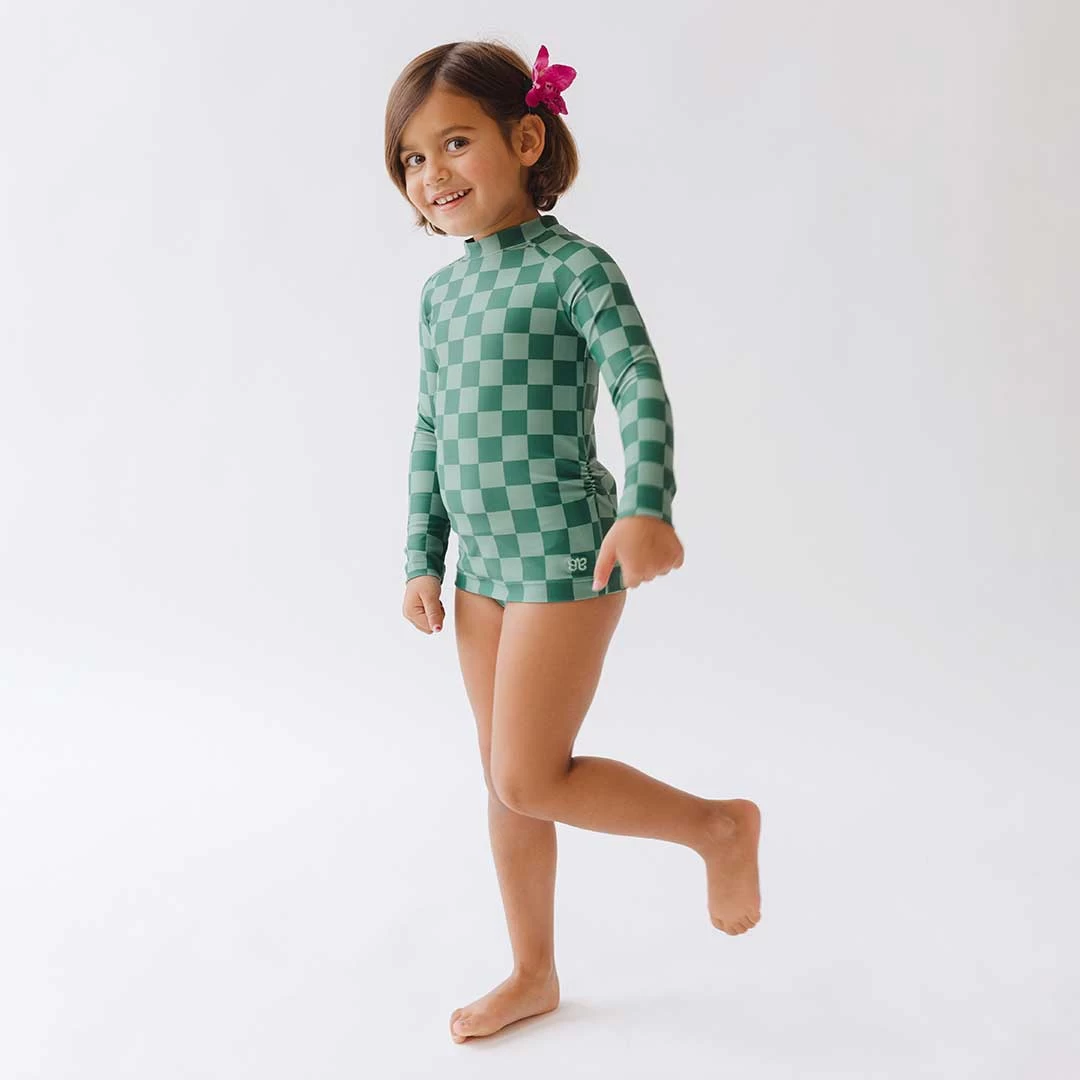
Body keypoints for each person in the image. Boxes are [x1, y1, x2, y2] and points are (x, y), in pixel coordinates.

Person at [384, 39, 761, 1044]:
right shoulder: (441, 296)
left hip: (565, 549)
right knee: (505, 785)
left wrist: (648, 505)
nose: (433, 173)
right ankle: (533, 972)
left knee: (528, 775)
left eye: (454, 142)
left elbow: (639, 383)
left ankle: (717, 826)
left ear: (526, 139)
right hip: (481, 570)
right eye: (412, 158)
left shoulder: (575, 270)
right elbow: (429, 429)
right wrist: (422, 556)